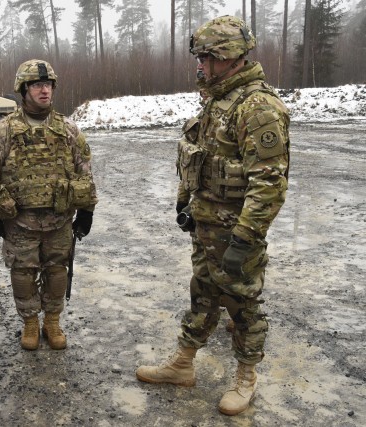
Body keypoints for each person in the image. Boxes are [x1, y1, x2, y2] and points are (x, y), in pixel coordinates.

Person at [135, 16, 290, 416]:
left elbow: (268, 185)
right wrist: (185, 201)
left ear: (230, 57)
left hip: (236, 235)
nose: (200, 64)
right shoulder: (218, 100)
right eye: (200, 57)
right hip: (206, 227)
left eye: (206, 57)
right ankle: (183, 363)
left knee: (242, 304)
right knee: (202, 293)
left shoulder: (258, 108)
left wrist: (244, 238)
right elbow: (199, 159)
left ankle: (246, 376)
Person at [0, 59, 97, 351]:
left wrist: (87, 210)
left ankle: (53, 322)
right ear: (23, 89)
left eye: (47, 85)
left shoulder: (68, 129)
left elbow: (84, 171)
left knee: (57, 271)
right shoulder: (5, 130)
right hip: (19, 221)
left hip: (59, 220)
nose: (44, 91)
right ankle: (30, 323)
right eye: (36, 85)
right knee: (23, 273)